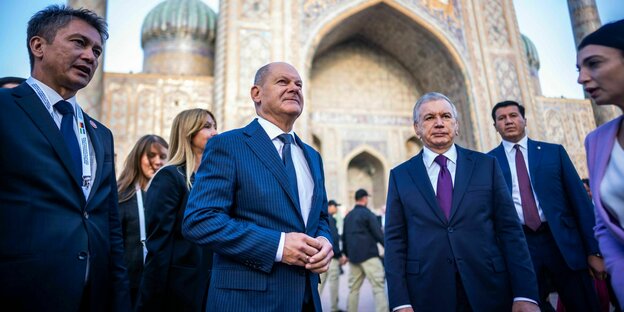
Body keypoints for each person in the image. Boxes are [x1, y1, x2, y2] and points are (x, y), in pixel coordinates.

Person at [0, 5, 130, 311]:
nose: (90, 56)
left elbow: (109, 226)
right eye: (79, 43)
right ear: (38, 46)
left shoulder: (99, 133)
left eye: (97, 51)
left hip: (91, 297)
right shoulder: (6, 110)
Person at [182, 62, 333, 311]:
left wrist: (324, 241)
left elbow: (322, 219)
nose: (294, 88)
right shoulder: (229, 145)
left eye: (299, 84)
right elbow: (200, 220)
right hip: (247, 301)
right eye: (282, 82)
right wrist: (278, 246)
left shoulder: (311, 156)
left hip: (305, 299)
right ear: (256, 93)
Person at [384, 92, 539, 312]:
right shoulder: (401, 175)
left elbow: (510, 231)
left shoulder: (486, 166)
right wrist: (400, 302)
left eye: (446, 116)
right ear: (417, 128)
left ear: (456, 125)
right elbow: (395, 242)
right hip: (428, 292)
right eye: (429, 118)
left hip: (489, 287)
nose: (439, 123)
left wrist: (525, 294)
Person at [488, 100, 602, 312]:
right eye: (501, 118)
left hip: (562, 242)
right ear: (495, 126)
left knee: (584, 304)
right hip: (520, 246)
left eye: (513, 115)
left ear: (525, 120)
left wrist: (594, 251)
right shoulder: (488, 162)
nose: (508, 121)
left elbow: (579, 202)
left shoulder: (553, 153)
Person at [136, 109, 217, 312]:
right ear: (189, 132)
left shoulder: (213, 179)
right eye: (207, 126)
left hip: (212, 288)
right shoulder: (170, 177)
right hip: (179, 289)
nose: (215, 132)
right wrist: (149, 301)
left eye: (215, 126)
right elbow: (158, 245)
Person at [577, 18, 624, 308]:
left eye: (594, 64)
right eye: (579, 69)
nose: (582, 78)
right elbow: (605, 224)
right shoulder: (598, 141)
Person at [116, 134, 168, 307]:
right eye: (151, 155)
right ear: (138, 158)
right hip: (126, 287)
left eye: (163, 157)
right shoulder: (122, 196)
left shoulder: (170, 199)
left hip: (159, 288)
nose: (158, 162)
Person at [342, 189, 387, 312]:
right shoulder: (368, 214)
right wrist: (388, 248)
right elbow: (378, 233)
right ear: (364, 198)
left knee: (353, 289)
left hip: (354, 258)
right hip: (369, 256)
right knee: (378, 287)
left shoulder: (348, 216)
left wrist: (346, 254)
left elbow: (345, 237)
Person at [319, 199, 347, 312]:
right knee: (333, 284)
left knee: (319, 285)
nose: (336, 208)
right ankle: (334, 308)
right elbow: (334, 239)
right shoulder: (330, 219)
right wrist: (339, 255)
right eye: (335, 206)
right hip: (332, 258)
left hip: (321, 256)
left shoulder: (321, 219)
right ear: (330, 206)